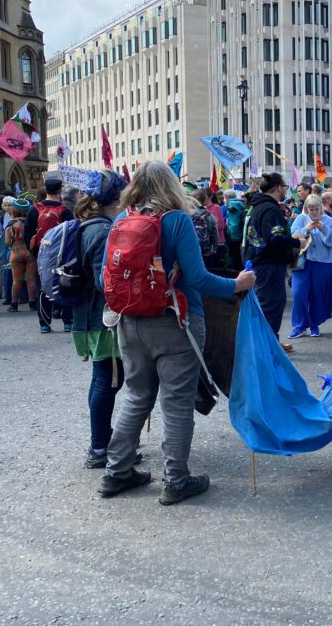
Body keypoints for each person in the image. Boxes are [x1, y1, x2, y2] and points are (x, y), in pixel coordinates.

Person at [98, 162, 256, 505]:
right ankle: (176, 479)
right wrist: (236, 285)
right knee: (176, 402)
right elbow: (199, 278)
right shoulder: (177, 220)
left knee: (137, 396)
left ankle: (116, 472)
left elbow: (103, 281)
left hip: (129, 322)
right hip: (176, 321)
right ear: (171, 186)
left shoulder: (121, 221)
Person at [70, 170, 135, 469]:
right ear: (116, 196)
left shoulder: (96, 224)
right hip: (102, 319)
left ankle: (103, 442)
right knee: (107, 381)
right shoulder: (102, 230)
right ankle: (99, 448)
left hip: (94, 316)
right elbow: (102, 281)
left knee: (107, 380)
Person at [242, 173, 305, 354]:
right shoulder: (270, 209)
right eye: (285, 187)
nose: (286, 190)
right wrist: (296, 242)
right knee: (271, 305)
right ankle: (267, 346)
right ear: (278, 188)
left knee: (266, 304)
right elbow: (275, 238)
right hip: (268, 264)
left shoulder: (257, 206)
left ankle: (271, 341)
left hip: (258, 262)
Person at [288, 194, 332, 338]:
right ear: (306, 208)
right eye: (310, 209)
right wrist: (306, 229)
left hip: (323, 263)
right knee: (299, 293)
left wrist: (324, 229)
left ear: (321, 208)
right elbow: (292, 236)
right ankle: (299, 326)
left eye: (316, 209)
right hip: (302, 263)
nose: (313, 212)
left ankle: (314, 324)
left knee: (318, 294)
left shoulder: (329, 221)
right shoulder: (301, 218)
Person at [26, 177, 74, 333]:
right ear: (60, 191)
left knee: (43, 287)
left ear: (45, 190)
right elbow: (71, 235)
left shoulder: (34, 210)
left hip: (42, 254)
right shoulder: (65, 211)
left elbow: (28, 234)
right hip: (62, 254)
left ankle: (45, 324)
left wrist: (34, 252)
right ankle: (68, 321)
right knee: (65, 284)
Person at [4, 199, 37, 312]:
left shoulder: (10, 225)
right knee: (31, 280)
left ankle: (14, 304)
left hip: (16, 254)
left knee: (16, 280)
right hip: (30, 254)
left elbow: (7, 242)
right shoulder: (32, 224)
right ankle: (32, 303)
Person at [191, 189, 221, 270]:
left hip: (190, 252)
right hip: (206, 251)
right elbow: (215, 235)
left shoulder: (185, 214)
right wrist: (213, 249)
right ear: (204, 200)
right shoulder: (209, 215)